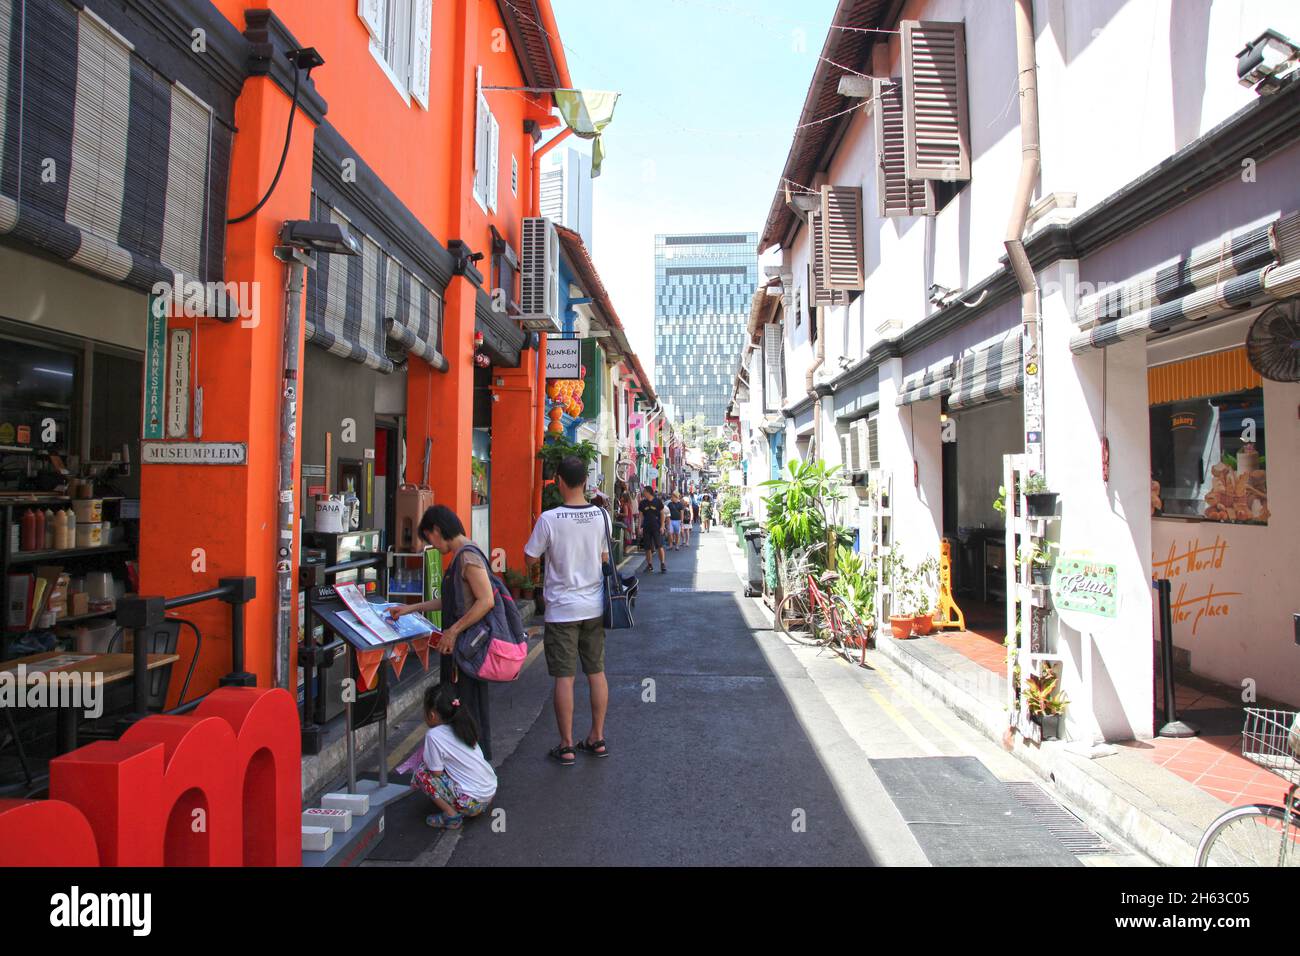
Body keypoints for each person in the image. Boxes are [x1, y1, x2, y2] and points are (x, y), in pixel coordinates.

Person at [389, 505, 497, 760]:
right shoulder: (461, 556)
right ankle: (467, 761)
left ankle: (473, 764)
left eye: (430, 539)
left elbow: (486, 600)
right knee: (462, 705)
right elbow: (451, 600)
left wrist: (453, 631)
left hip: (468, 650)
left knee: (467, 707)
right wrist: (411, 608)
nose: (433, 546)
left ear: (436, 530)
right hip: (461, 649)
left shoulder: (468, 558)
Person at [525, 456, 611, 766]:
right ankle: (597, 737)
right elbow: (604, 558)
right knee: (596, 672)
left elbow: (531, 557)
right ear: (585, 482)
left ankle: (566, 745)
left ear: (559, 480)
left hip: (562, 610)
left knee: (565, 677)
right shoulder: (601, 516)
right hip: (594, 606)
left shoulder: (549, 519)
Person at [410, 683, 497, 829]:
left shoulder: (433, 735)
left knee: (421, 773)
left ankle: (452, 816)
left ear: (431, 714)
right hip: (489, 792)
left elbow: (436, 772)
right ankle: (468, 804)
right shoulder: (463, 725)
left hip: (473, 803)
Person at [638, 486, 667, 573]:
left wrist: (662, 526)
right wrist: (639, 527)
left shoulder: (658, 502)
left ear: (648, 492)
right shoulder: (643, 503)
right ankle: (649, 565)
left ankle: (662, 564)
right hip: (646, 527)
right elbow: (641, 516)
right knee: (647, 547)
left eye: (644, 491)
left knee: (659, 546)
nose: (643, 493)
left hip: (656, 527)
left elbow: (662, 514)